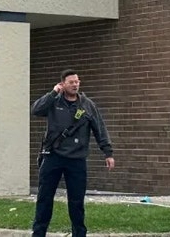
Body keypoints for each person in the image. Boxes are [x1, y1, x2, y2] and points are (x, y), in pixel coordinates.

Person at [31, 70, 114, 237]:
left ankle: (79, 234)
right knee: (44, 198)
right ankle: (38, 233)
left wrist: (108, 152)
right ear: (63, 84)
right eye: (71, 82)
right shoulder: (54, 102)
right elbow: (36, 110)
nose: (75, 85)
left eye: (77, 82)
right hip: (53, 156)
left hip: (76, 159)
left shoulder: (87, 105)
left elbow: (100, 129)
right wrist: (53, 92)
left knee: (76, 202)